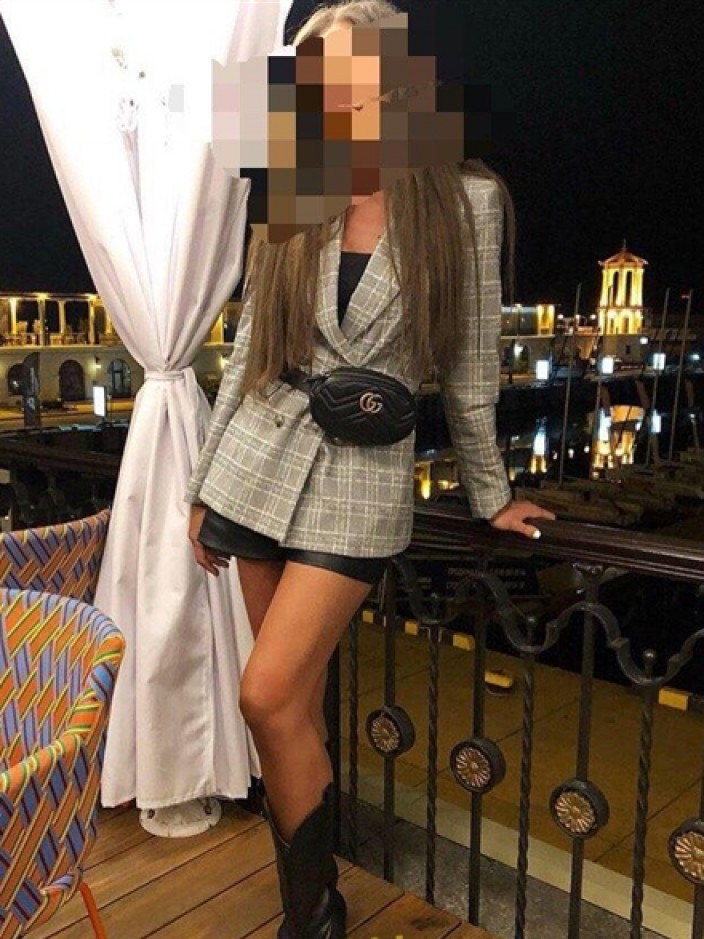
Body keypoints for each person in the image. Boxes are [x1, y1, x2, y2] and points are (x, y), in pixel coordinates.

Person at [186, 4, 554, 937]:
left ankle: (311, 915)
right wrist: (203, 483)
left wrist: (492, 494)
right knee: (291, 710)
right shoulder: (299, 179)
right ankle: (312, 913)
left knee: (265, 692)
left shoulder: (462, 200)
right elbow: (248, 348)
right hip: (257, 459)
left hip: (359, 476)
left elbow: (471, 364)